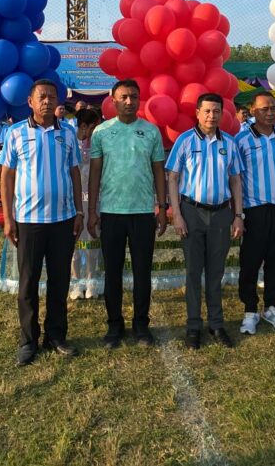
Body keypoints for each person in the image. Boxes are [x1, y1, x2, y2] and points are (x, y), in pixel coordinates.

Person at [1, 79, 84, 367]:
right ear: (30, 102)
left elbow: (75, 173)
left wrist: (79, 212)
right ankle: (28, 340)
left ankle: (56, 336)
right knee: (28, 283)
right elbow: (6, 177)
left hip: (63, 219)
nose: (47, 101)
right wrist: (8, 218)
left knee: (60, 281)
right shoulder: (15, 133)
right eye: (42, 97)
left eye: (52, 96)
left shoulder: (68, 133)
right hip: (28, 221)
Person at [88, 79, 168, 348]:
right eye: (123, 97)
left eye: (134, 96)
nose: (129, 101)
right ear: (113, 100)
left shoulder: (151, 131)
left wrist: (162, 207)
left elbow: (158, 171)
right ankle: (114, 325)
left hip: (143, 212)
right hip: (111, 212)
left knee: (142, 271)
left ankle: (141, 325)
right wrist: (92, 211)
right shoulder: (101, 132)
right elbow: (95, 173)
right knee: (112, 272)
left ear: (139, 99)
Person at [166, 93, 245, 350]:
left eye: (216, 111)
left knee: (216, 271)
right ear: (198, 113)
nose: (212, 116)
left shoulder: (229, 143)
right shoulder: (185, 141)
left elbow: (235, 180)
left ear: (223, 113)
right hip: (192, 212)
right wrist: (177, 214)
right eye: (207, 111)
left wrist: (238, 216)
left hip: (222, 214)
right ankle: (193, 326)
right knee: (193, 271)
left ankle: (216, 324)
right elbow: (173, 178)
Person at [233, 92, 275, 336]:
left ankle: (272, 306)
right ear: (252, 111)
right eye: (264, 109)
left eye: (274, 108)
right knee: (250, 260)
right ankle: (250, 309)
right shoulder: (241, 140)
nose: (270, 113)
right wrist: (237, 213)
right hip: (253, 209)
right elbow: (235, 178)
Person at [69, 109, 103, 299]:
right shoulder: (70, 141)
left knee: (93, 239)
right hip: (74, 198)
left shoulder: (100, 142)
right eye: (94, 126)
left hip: (94, 198)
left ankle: (91, 281)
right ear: (84, 126)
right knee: (73, 241)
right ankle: (76, 282)